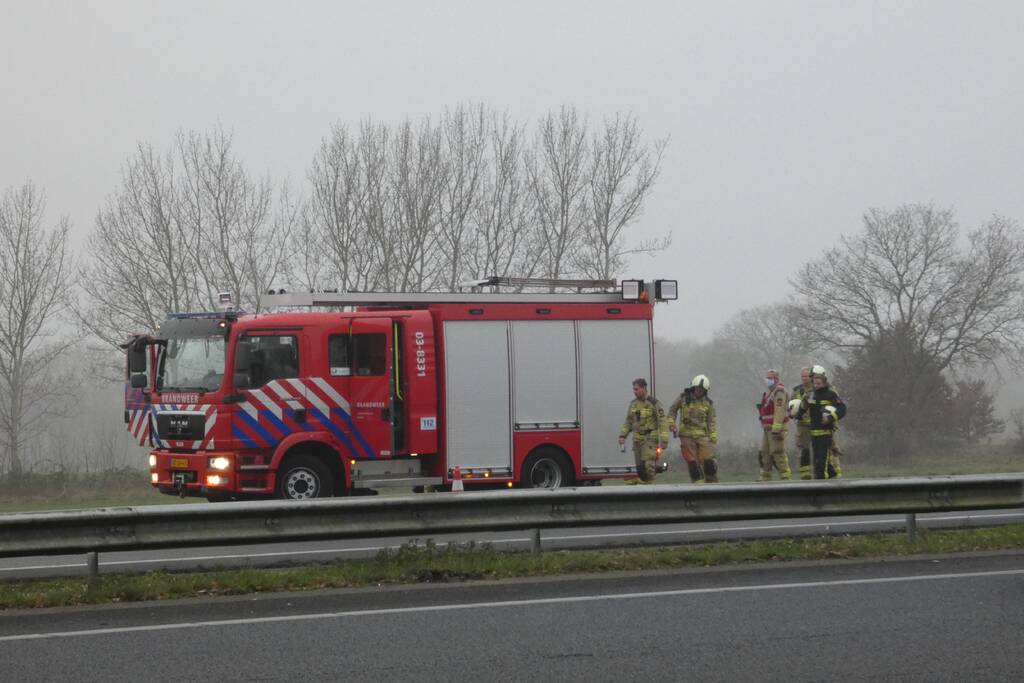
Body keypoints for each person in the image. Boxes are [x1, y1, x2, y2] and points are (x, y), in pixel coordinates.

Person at [796, 365, 847, 479]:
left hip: (826, 433)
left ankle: (821, 484)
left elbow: (842, 409)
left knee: (821, 462)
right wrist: (798, 414)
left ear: (824, 382)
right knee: (818, 460)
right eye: (814, 382)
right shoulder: (811, 394)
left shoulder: (830, 394)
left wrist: (830, 418)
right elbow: (803, 407)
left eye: (818, 383)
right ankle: (832, 475)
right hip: (814, 433)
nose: (816, 385)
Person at [667, 374, 719, 483]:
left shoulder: (708, 403)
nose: (699, 391)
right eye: (697, 389)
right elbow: (672, 410)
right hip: (686, 435)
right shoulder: (683, 398)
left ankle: (713, 484)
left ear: (705, 391)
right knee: (693, 465)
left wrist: (713, 437)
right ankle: (698, 486)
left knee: (708, 464)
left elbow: (711, 421)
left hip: (703, 436)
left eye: (702, 390)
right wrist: (672, 424)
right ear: (693, 387)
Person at [619, 378, 670, 484]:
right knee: (640, 469)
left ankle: (651, 488)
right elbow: (628, 421)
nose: (634, 392)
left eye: (636, 389)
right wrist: (623, 435)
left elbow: (662, 421)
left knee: (648, 466)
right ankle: (644, 486)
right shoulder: (633, 404)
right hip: (637, 441)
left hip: (649, 440)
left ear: (644, 388)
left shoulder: (654, 403)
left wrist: (664, 439)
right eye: (633, 389)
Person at [758, 369, 791, 480]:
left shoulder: (779, 392)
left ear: (776, 379)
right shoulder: (770, 393)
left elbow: (779, 410)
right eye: (767, 378)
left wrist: (776, 429)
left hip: (776, 429)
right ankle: (765, 478)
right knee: (765, 454)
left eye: (770, 378)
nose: (767, 380)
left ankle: (785, 478)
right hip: (767, 428)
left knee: (778, 453)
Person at [791, 367, 813, 480]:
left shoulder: (816, 388)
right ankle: (805, 475)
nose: (804, 378)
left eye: (806, 376)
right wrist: (791, 413)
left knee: (822, 448)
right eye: (802, 376)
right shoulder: (796, 390)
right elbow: (790, 405)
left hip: (817, 424)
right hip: (802, 424)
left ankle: (826, 472)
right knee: (802, 449)